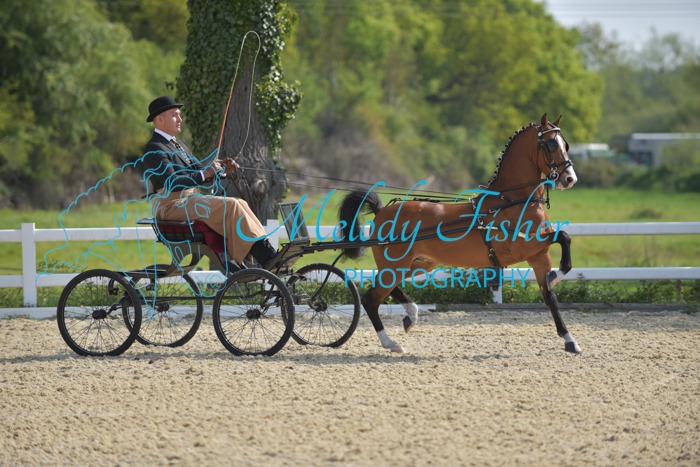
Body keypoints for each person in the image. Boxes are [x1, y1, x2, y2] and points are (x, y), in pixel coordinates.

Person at [139, 95, 278, 270]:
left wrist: (221, 170)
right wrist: (205, 173)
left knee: (240, 203)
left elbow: (201, 173)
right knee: (232, 205)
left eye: (179, 115)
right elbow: (171, 182)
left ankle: (266, 252)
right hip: (171, 205)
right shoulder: (154, 148)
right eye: (174, 115)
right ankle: (266, 257)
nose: (180, 119)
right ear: (159, 120)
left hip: (190, 201)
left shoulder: (179, 145)